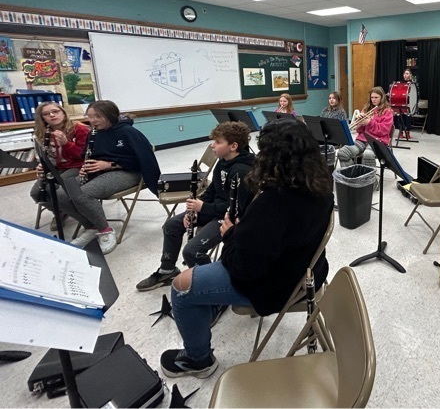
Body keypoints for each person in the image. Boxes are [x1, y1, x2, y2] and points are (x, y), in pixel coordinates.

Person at [160, 119, 333, 379]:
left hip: (276, 284)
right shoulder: (319, 184)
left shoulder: (275, 201)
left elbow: (244, 268)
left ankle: (199, 360)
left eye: (263, 151)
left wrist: (231, 234)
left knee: (181, 286)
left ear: (272, 156)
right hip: (308, 271)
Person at [136, 121, 255, 291]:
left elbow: (236, 209)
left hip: (229, 218)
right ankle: (167, 269)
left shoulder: (242, 171)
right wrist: (193, 210)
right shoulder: (222, 161)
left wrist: (203, 208)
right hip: (214, 209)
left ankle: (215, 288)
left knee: (192, 251)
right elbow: (213, 189)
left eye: (218, 142)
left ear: (233, 146)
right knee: (171, 225)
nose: (212, 145)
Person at [57, 100, 161, 254]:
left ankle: (105, 230)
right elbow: (87, 155)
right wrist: (87, 167)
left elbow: (144, 160)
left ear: (110, 115)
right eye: (90, 117)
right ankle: (91, 226)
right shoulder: (94, 133)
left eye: (97, 116)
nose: (92, 121)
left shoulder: (128, 132)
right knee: (60, 195)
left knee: (83, 194)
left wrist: (110, 165)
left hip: (129, 172)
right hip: (101, 171)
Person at [30, 101, 90, 231]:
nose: (52, 115)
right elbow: (44, 155)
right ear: (42, 118)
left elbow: (83, 155)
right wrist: (42, 166)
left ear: (63, 113)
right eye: (46, 114)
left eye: (55, 111)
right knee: (36, 193)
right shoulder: (43, 133)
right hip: (55, 168)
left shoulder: (80, 129)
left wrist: (66, 143)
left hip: (77, 167)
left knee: (58, 193)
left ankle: (88, 221)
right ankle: (60, 212)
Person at [337, 86, 393, 168]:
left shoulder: (387, 111)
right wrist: (359, 123)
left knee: (368, 155)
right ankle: (352, 174)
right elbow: (360, 131)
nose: (373, 99)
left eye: (376, 97)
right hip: (362, 140)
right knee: (342, 153)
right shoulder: (367, 109)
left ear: (382, 98)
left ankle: (368, 179)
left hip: (377, 141)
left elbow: (383, 130)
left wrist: (369, 122)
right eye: (372, 97)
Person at [393, 68, 415, 140]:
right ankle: (401, 131)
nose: (405, 75)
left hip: (408, 103)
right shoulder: (400, 83)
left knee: (408, 118)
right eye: (405, 73)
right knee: (400, 117)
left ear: (410, 75)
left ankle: (407, 132)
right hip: (401, 102)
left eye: (407, 73)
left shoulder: (412, 84)